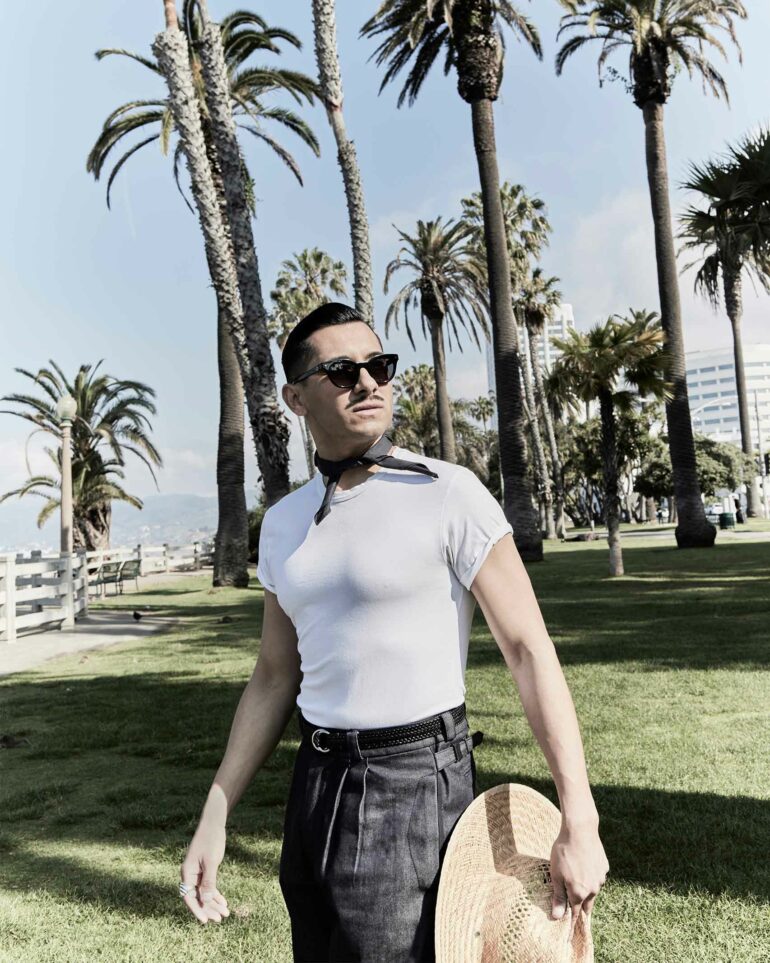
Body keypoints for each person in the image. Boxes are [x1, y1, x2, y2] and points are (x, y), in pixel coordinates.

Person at [177, 302, 609, 960]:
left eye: (379, 365)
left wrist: (579, 815)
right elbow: (273, 673)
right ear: (295, 397)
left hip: (414, 781)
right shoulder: (286, 524)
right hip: (316, 780)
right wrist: (217, 809)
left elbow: (528, 650)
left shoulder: (449, 493)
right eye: (342, 370)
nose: (369, 381)